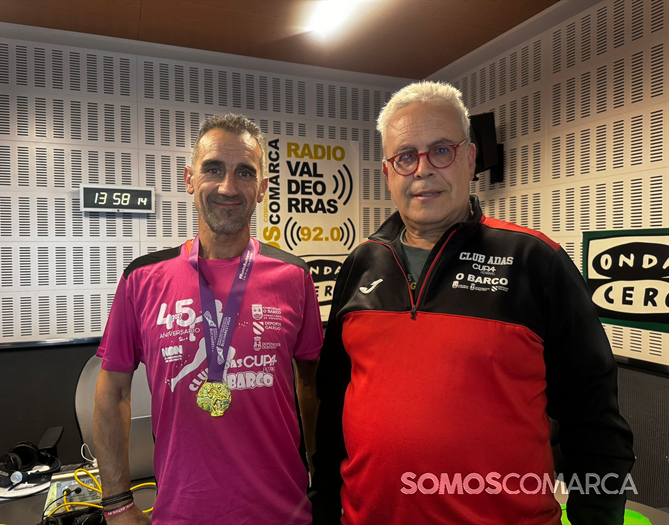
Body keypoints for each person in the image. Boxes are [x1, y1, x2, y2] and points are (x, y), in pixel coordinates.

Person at [311, 81, 634, 525]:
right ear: (388, 173)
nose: (423, 170)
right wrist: (323, 507)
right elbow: (333, 408)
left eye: (441, 150)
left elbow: (594, 419)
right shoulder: (361, 264)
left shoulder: (536, 261)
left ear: (470, 158)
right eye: (405, 157)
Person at [94, 113, 323, 525]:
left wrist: (322, 480)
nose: (228, 187)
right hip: (182, 513)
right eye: (213, 169)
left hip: (285, 513)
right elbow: (112, 390)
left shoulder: (294, 275)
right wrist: (117, 503)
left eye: (244, 173)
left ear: (263, 188)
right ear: (189, 179)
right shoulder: (142, 278)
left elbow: (312, 383)